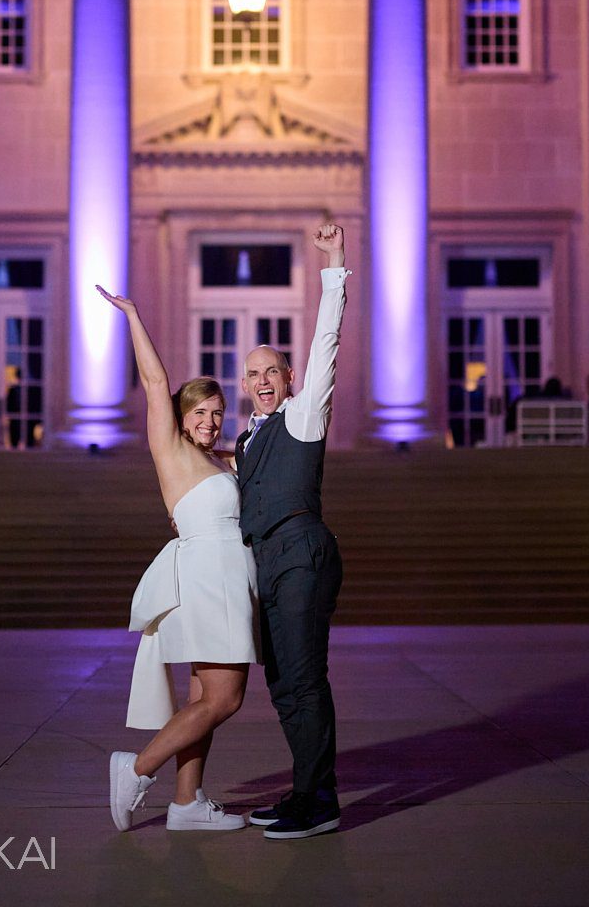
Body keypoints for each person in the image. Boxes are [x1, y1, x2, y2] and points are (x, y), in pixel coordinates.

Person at [96, 286, 261, 833]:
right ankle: (137, 767)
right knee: (225, 697)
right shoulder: (171, 449)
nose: (211, 421)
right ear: (181, 415)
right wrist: (134, 316)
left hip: (227, 580)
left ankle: (186, 804)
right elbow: (154, 383)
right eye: (200, 412)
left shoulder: (223, 461)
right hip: (205, 579)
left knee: (203, 700)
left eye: (217, 412)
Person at [235, 223, 349, 840]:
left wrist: (335, 264)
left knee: (304, 676)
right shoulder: (244, 443)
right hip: (265, 564)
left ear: (288, 379)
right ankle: (305, 787)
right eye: (253, 374)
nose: (262, 381)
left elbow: (326, 341)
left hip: (301, 551)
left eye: (273, 371)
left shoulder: (302, 419)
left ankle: (320, 799)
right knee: (281, 682)